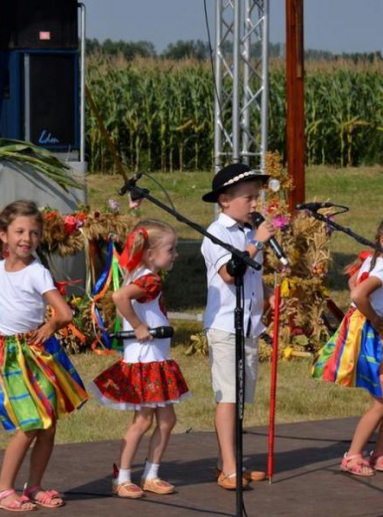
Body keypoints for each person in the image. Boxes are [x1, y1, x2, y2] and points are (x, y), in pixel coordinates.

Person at [0, 200, 88, 511]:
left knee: (47, 424)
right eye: (19, 231)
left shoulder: (37, 273)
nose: (26, 238)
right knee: (30, 423)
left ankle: (34, 486)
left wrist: (51, 324)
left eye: (34, 233)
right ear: (4, 235)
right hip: (9, 355)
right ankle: (2, 491)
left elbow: (65, 312)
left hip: (36, 353)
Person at [312, 209, 383, 477]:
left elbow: (352, 282)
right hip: (374, 333)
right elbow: (360, 294)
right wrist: (374, 318)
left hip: (373, 332)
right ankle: (353, 455)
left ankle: (381, 451)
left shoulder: (371, 260)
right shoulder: (382, 270)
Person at [91, 219, 190, 499]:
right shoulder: (149, 279)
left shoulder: (142, 275)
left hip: (156, 360)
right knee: (143, 421)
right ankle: (122, 477)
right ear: (150, 253)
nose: (175, 254)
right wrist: (137, 326)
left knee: (167, 420)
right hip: (146, 361)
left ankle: (151, 473)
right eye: (171, 249)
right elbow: (119, 296)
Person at [200, 163, 276, 490]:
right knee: (228, 398)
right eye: (248, 198)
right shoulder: (216, 234)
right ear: (225, 200)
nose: (255, 204)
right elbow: (230, 273)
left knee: (240, 398)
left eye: (256, 197)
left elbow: (250, 277)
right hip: (225, 327)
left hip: (248, 326)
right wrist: (257, 243)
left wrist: (269, 295)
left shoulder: (246, 233)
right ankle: (229, 468)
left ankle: (228, 461)